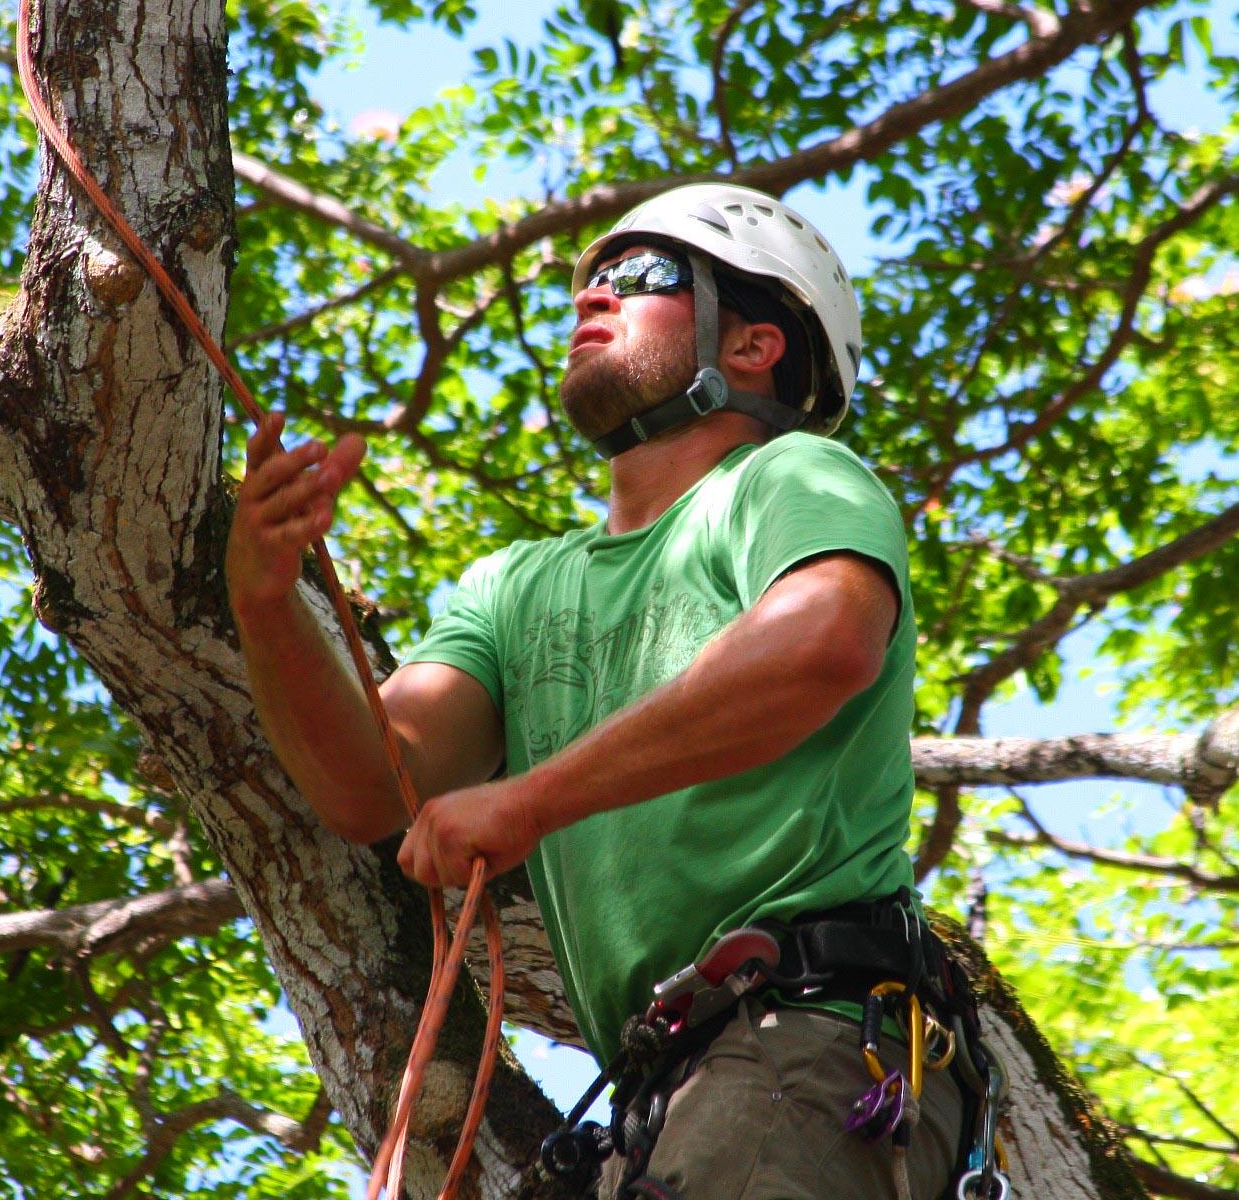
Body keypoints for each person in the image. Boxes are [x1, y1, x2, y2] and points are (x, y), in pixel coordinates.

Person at [225, 183, 967, 1199]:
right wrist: (265, 601)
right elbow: (373, 784)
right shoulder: (515, 587)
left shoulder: (791, 478)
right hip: (665, 1091)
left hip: (808, 1040)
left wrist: (531, 797)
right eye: (588, 283)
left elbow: (824, 641)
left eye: (642, 278)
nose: (592, 299)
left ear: (753, 345)